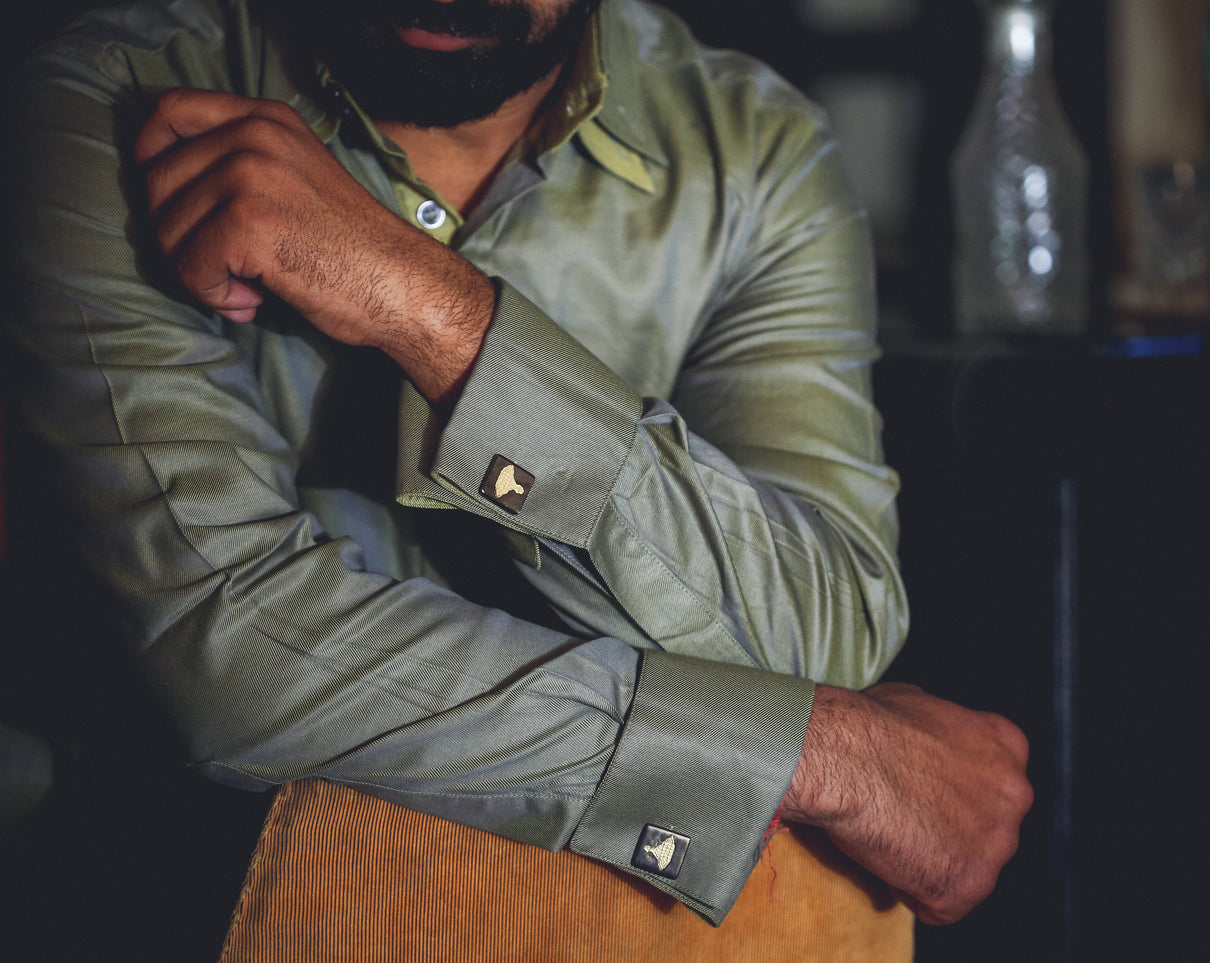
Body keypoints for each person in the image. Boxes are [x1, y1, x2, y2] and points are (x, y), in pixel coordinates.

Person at [7, 0, 1031, 938]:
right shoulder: (112, 102)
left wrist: (428, 311)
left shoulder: (753, 150)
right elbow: (226, 648)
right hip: (172, 909)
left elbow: (817, 629)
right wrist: (806, 756)